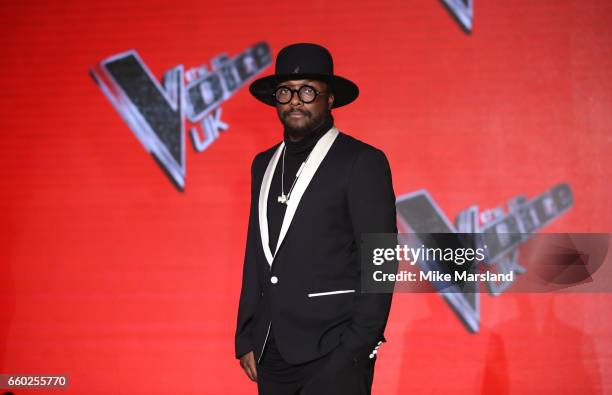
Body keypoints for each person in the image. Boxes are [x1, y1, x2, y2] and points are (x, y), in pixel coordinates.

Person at [235, 43, 397, 395]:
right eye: (285, 92)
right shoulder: (263, 164)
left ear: (330, 99)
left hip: (334, 348)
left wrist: (358, 346)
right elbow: (256, 253)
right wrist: (246, 334)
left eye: (308, 91)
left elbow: (381, 258)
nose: (295, 100)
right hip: (271, 348)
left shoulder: (360, 161)